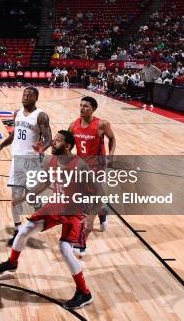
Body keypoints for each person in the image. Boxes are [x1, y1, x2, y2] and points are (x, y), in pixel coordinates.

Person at [0, 130, 93, 310]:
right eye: (54, 140)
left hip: (73, 211)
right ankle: (12, 262)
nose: (53, 142)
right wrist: (23, 198)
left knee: (64, 248)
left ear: (68, 146)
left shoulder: (79, 165)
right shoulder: (52, 161)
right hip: (55, 205)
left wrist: (90, 217)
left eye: (58, 141)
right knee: (24, 230)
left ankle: (84, 293)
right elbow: (44, 184)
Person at [0, 87, 52, 245]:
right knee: (15, 197)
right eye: (24, 94)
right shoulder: (17, 112)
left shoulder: (41, 115)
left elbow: (48, 137)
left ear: (36, 98)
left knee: (31, 197)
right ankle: (17, 230)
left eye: (29, 95)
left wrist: (43, 147)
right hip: (17, 161)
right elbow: (14, 134)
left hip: (33, 161)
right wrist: (1, 146)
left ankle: (40, 212)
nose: (25, 97)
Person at [69, 96, 115, 257]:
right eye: (80, 105)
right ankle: (103, 212)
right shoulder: (73, 125)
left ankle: (81, 242)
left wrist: (111, 155)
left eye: (86, 106)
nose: (82, 108)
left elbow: (112, 138)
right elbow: (68, 144)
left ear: (93, 109)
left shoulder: (101, 124)